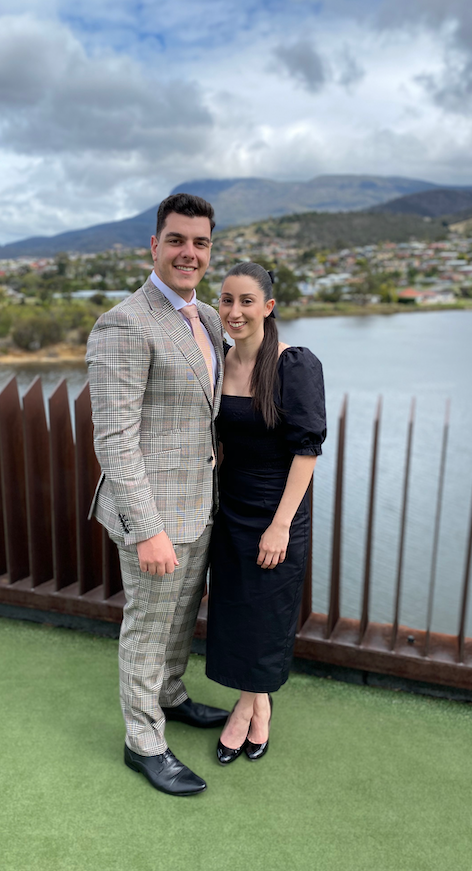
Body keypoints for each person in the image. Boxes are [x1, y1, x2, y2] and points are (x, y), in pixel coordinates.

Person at [86, 193, 230, 797]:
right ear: (154, 245)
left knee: (179, 621)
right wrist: (147, 528)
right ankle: (143, 741)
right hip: (153, 514)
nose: (188, 253)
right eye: (176, 240)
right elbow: (114, 439)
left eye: (199, 242)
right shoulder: (125, 322)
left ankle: (170, 697)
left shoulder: (212, 320)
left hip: (199, 505)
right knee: (148, 626)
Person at [205, 262, 325, 764]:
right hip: (231, 505)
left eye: (246, 301)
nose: (234, 312)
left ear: (268, 308)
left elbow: (307, 451)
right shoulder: (218, 361)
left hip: (279, 511)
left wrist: (279, 526)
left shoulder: (295, 364)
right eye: (227, 300)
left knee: (266, 615)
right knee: (236, 611)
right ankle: (259, 703)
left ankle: (248, 712)